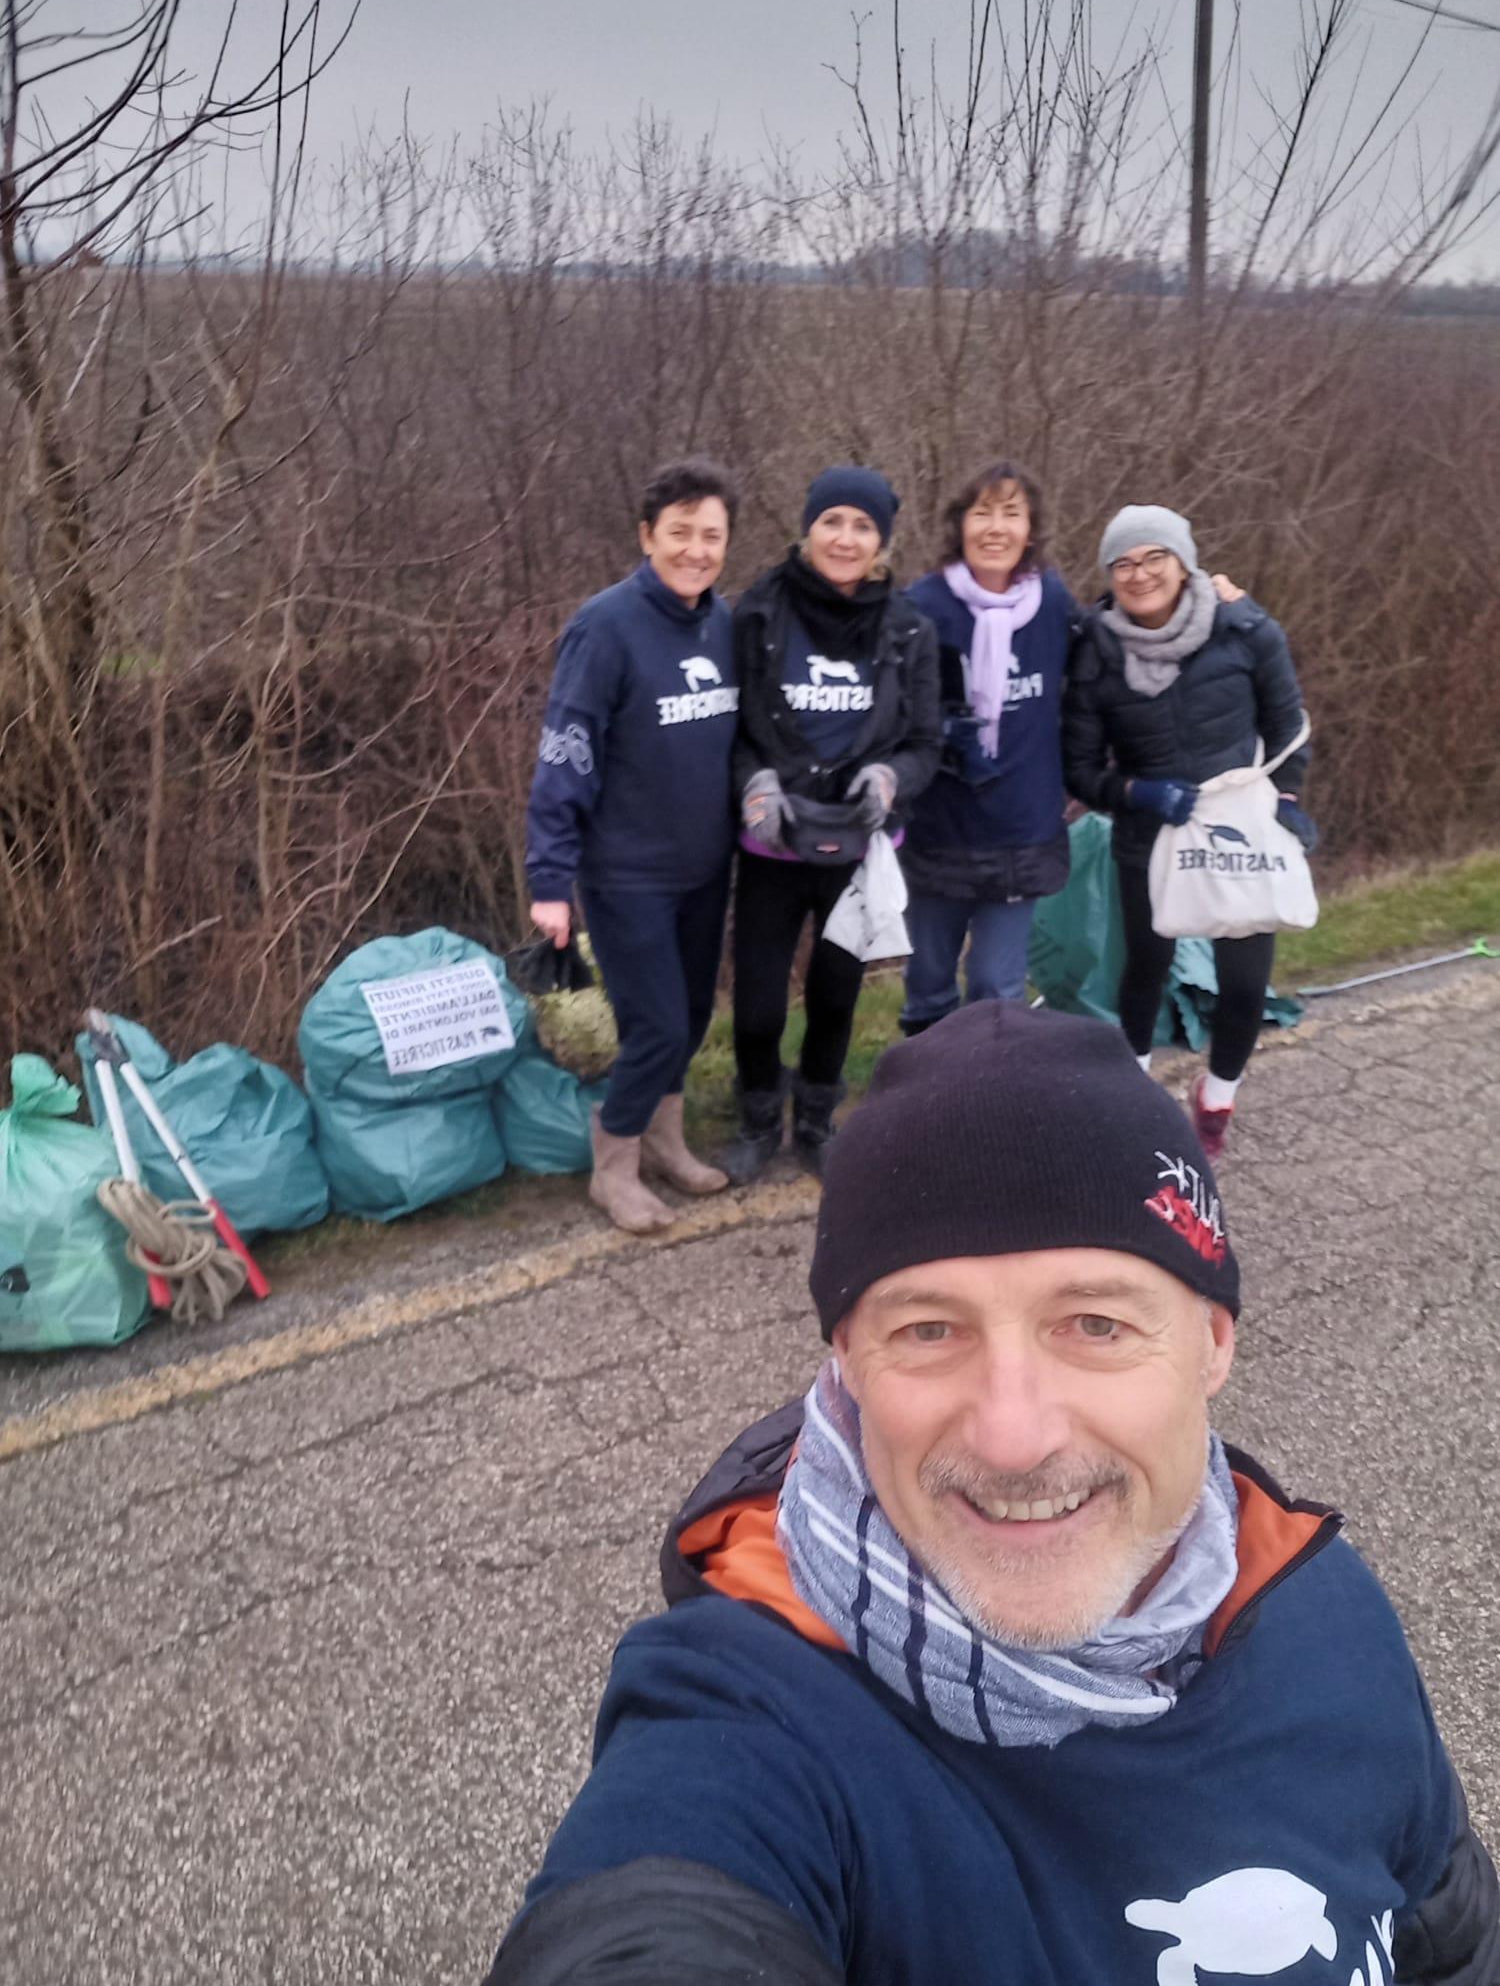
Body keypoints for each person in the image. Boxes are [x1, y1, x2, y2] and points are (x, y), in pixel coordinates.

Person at [485, 1002, 1498, 1984]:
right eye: (928, 1330)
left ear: (1213, 1342)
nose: (1014, 1437)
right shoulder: (749, 1716)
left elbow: (1454, 1940)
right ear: (847, 1360)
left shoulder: (1324, 1607)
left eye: (1096, 1324)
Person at [524, 458, 739, 1235]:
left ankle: (665, 1141)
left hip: (705, 867)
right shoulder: (605, 627)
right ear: (647, 535)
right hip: (627, 875)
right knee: (658, 1026)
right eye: (680, 532)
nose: (695, 550)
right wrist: (550, 879)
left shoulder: (724, 624)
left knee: (692, 1013)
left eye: (711, 536)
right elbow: (566, 752)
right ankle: (612, 1166)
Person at [1063, 505, 1316, 1159]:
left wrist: (1287, 799)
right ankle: (1136, 1101)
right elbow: (1081, 769)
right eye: (1123, 563)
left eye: (1155, 557)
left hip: (1238, 829)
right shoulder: (1095, 651)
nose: (1140, 574)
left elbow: (1288, 725)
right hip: (1151, 833)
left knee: (1244, 984)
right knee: (1145, 970)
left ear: (1184, 563)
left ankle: (1217, 1099)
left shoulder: (1245, 628)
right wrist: (1136, 793)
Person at [720, 465, 940, 1182]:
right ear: (807, 529)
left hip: (860, 846)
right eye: (832, 522)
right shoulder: (757, 614)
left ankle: (816, 1119)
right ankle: (758, 1117)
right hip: (772, 843)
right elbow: (732, 729)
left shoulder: (910, 629)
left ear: (882, 541)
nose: (845, 539)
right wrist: (753, 783)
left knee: (836, 994)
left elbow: (926, 742)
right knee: (758, 1003)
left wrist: (890, 780)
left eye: (863, 526)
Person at [898, 461, 1075, 1034]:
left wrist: (1214, 599)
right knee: (928, 987)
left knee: (998, 992)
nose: (996, 528)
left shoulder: (1053, 603)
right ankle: (925, 1087)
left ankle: (990, 1088)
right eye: (982, 513)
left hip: (1022, 831)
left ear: (1031, 529)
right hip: (939, 831)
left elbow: (1117, 658)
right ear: (960, 525)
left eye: (1011, 514)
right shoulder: (920, 606)